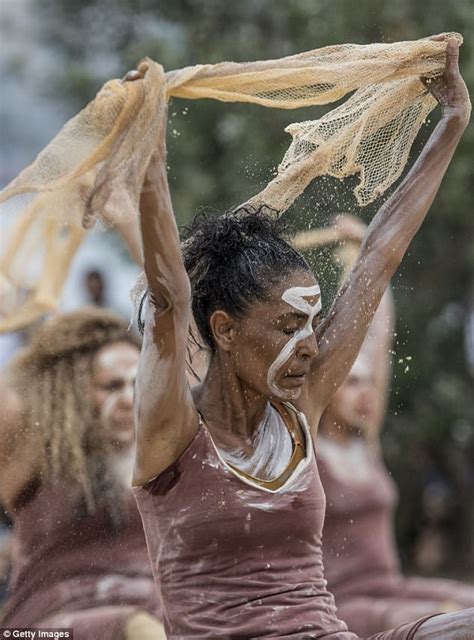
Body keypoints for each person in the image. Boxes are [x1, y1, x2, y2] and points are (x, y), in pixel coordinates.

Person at [131, 38, 473, 638]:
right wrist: (149, 161)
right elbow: (168, 297)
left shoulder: (299, 409)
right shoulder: (171, 432)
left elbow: (376, 260)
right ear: (226, 330)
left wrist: (452, 122)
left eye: (311, 324)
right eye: (290, 326)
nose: (311, 345)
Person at [317, 216, 474, 635]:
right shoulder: (307, 453)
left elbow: (377, 339)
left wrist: (370, 256)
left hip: (391, 587)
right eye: (350, 383)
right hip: (342, 604)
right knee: (449, 621)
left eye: (368, 382)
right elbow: (351, 345)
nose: (365, 392)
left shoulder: (365, 444)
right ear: (325, 388)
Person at [0, 308, 165, 640]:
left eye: (138, 384)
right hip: (45, 627)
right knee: (140, 628)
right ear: (72, 391)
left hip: (160, 618)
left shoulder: (168, 455)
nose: (128, 398)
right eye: (111, 385)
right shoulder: (34, 450)